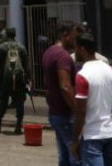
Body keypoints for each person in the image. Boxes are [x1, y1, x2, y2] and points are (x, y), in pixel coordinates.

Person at [71, 33, 112, 166]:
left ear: (82, 49)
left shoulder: (82, 75)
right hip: (110, 134)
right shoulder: (111, 71)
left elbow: (81, 111)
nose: (74, 53)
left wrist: (75, 140)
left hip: (92, 137)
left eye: (76, 49)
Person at [42, 20, 80, 166]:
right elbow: (65, 86)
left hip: (56, 112)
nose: (76, 41)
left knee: (64, 155)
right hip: (65, 114)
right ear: (65, 35)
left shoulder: (49, 52)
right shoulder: (63, 56)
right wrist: (77, 111)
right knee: (76, 155)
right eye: (74, 37)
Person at [0, 27, 29, 134]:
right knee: (19, 101)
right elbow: (26, 65)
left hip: (6, 78)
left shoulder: (2, 48)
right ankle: (18, 126)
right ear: (15, 35)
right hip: (19, 78)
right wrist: (30, 78)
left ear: (6, 35)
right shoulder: (21, 47)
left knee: (3, 100)